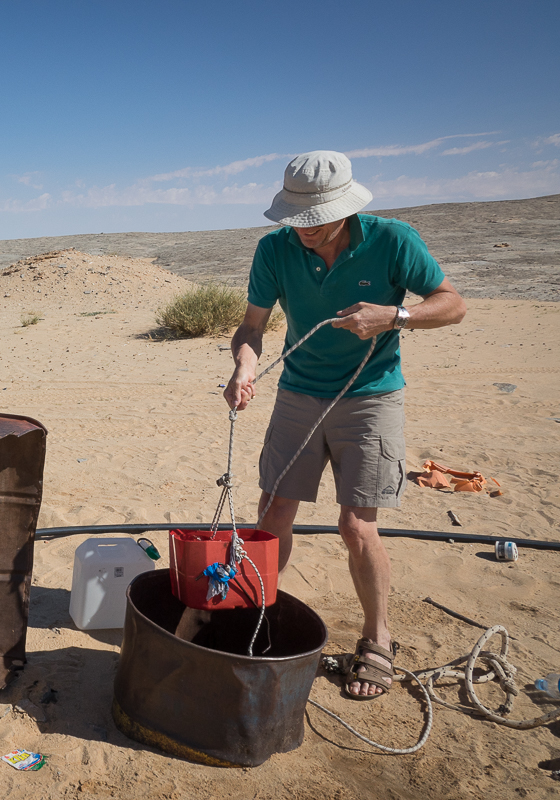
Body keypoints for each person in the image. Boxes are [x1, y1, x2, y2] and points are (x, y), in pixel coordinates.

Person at [224, 150, 466, 699]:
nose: (304, 229)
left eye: (315, 217)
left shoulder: (393, 239)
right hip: (297, 395)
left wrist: (394, 315)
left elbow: (453, 304)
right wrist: (244, 365)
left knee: (357, 525)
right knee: (272, 513)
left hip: (370, 397)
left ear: (345, 208)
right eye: (296, 217)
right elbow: (252, 326)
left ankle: (378, 640)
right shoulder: (275, 249)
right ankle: (257, 618)